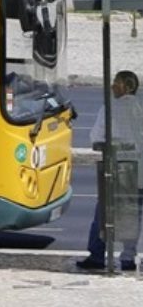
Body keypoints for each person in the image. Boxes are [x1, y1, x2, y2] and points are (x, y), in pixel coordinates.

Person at [77, 70, 143, 271]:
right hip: (139, 171)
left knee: (104, 213)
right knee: (134, 213)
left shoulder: (110, 108)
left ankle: (97, 255)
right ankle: (128, 258)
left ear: (128, 86)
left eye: (117, 82)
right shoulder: (141, 109)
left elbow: (95, 137)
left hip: (116, 169)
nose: (113, 86)